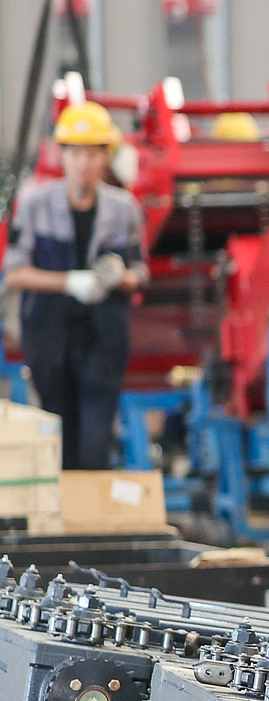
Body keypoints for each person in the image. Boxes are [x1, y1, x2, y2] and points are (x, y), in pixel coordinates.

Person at [2, 101, 146, 469]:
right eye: (75, 153)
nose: (84, 163)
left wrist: (120, 276)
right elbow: (15, 272)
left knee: (95, 445)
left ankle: (90, 519)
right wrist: (70, 282)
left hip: (104, 342)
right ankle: (61, 521)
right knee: (57, 442)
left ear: (106, 157)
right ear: (62, 155)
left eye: (93, 153)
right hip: (49, 341)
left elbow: (140, 273)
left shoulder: (123, 209)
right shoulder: (35, 205)